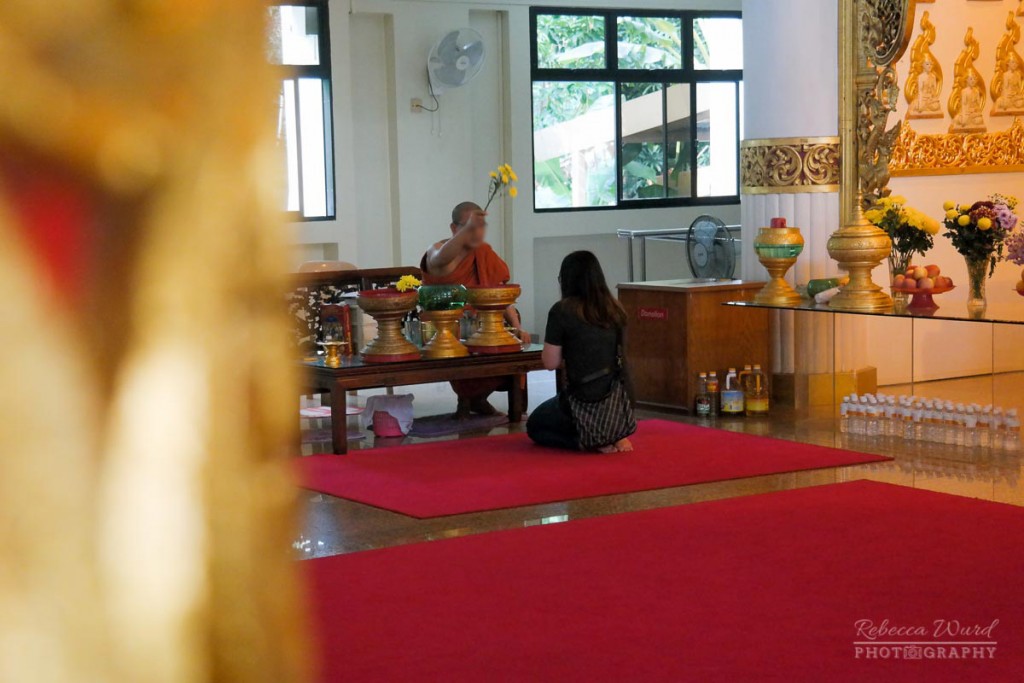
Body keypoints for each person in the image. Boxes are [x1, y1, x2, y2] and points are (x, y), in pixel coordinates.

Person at [421, 201, 530, 418]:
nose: (477, 232)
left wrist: (518, 327)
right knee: (469, 332)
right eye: (470, 226)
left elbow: (498, 292)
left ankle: (479, 399)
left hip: (486, 322)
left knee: (507, 332)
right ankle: (469, 397)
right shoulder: (438, 251)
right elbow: (440, 259)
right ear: (454, 229)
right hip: (448, 324)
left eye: (480, 226)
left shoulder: (483, 252)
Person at [527, 251, 636, 453]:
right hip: (618, 401)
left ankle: (588, 440)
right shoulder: (616, 309)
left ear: (566, 280)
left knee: (535, 426)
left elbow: (550, 363)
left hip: (582, 400)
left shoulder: (562, 310)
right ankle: (614, 436)